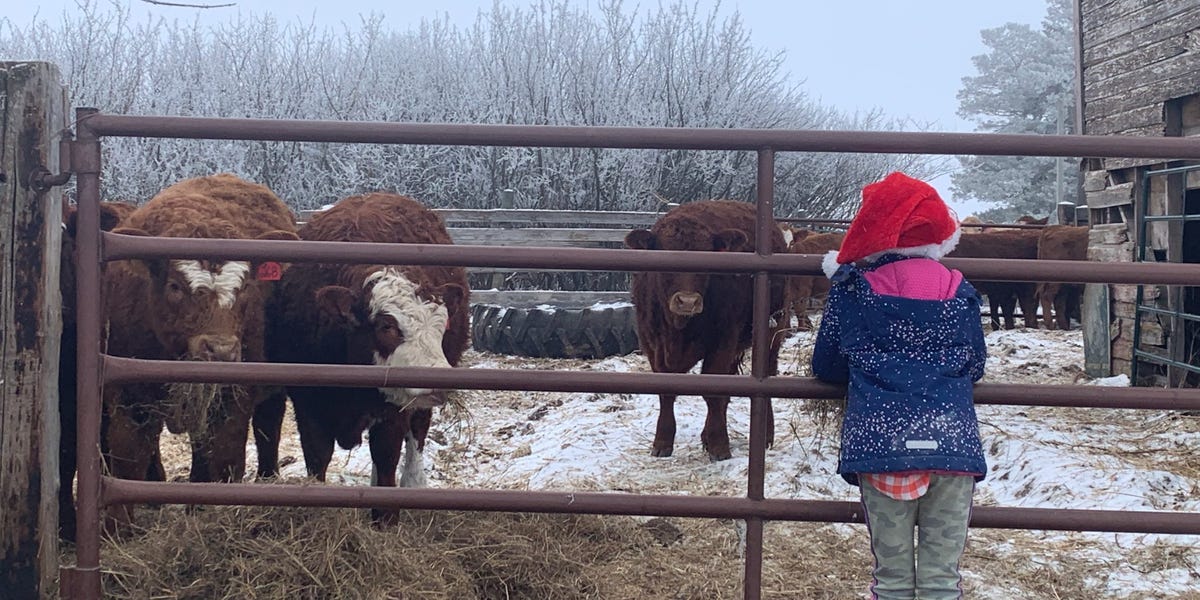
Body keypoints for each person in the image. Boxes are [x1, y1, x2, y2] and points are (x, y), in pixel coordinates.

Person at [810, 171, 988, 600]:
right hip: (950, 443)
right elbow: (976, 365)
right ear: (938, 239)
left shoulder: (853, 292)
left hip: (883, 444)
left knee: (890, 581)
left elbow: (827, 365)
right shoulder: (959, 292)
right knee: (942, 581)